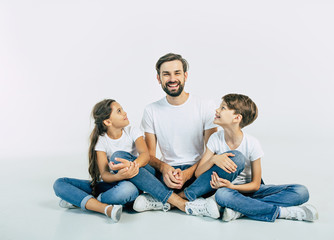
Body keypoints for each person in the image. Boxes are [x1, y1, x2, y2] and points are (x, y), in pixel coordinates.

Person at [54, 99, 219, 222]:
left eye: (122, 109)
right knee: (59, 183)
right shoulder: (102, 141)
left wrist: (133, 167)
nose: (125, 112)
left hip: (140, 180)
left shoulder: (133, 131)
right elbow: (105, 174)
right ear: (107, 122)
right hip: (117, 182)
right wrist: (120, 176)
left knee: (125, 177)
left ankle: (80, 200)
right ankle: (100, 206)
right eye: (119, 111)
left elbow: (145, 156)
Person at [198, 93, 318, 222]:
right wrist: (213, 159)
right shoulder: (215, 139)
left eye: (223, 108)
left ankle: (241, 209)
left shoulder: (252, 143)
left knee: (301, 191)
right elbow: (199, 172)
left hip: (249, 190)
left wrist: (233, 187)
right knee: (222, 195)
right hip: (228, 192)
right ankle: (282, 212)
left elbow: (255, 185)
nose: (217, 110)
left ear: (237, 118)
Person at [133, 53, 219, 214]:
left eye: (177, 73)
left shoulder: (206, 105)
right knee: (128, 160)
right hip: (167, 176)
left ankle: (166, 199)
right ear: (159, 78)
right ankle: (185, 201)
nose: (172, 79)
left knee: (232, 159)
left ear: (185, 76)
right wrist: (164, 168)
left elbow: (213, 151)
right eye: (166, 74)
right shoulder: (151, 110)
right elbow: (149, 155)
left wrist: (187, 174)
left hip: (198, 172)